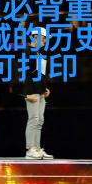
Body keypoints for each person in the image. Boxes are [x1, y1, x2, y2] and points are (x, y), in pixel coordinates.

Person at [23, 27, 53, 160]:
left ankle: (37, 148)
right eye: (44, 38)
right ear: (36, 37)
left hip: (40, 91)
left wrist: (44, 88)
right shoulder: (27, 51)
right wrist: (27, 93)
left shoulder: (39, 53)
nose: (45, 41)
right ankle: (30, 149)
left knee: (40, 120)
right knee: (33, 119)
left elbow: (40, 74)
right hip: (32, 91)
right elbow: (25, 74)